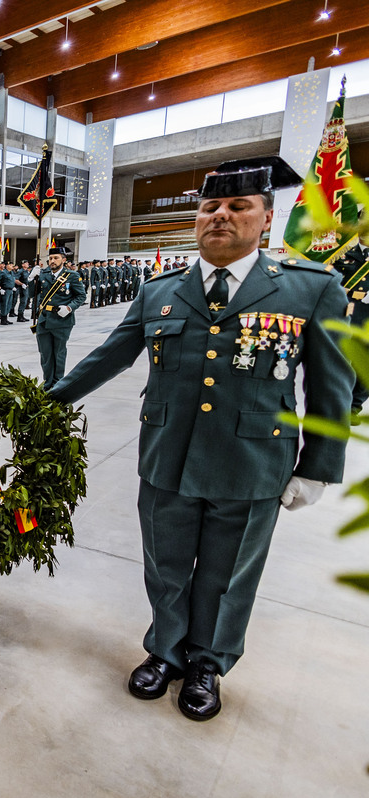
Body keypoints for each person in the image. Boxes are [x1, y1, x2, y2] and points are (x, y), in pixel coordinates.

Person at [49, 156, 354, 722]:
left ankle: (208, 663)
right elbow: (108, 357)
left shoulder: (309, 288)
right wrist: (45, 402)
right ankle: (165, 651)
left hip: (253, 460)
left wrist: (318, 466)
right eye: (211, 206)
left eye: (238, 206)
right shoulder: (161, 290)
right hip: (168, 455)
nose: (221, 216)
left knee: (227, 571)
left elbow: (334, 385)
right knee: (165, 565)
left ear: (266, 218)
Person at [32, 246, 86, 389]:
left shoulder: (72, 276)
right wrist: (32, 279)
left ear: (63, 259)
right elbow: (33, 293)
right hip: (43, 319)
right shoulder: (43, 275)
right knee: (45, 354)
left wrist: (69, 307)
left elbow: (81, 296)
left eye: (56, 258)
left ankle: (58, 384)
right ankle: (48, 383)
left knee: (59, 353)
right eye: (50, 258)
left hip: (62, 320)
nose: (52, 261)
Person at [333, 245, 369, 417]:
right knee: (340, 355)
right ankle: (337, 400)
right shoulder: (342, 252)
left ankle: (355, 404)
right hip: (345, 307)